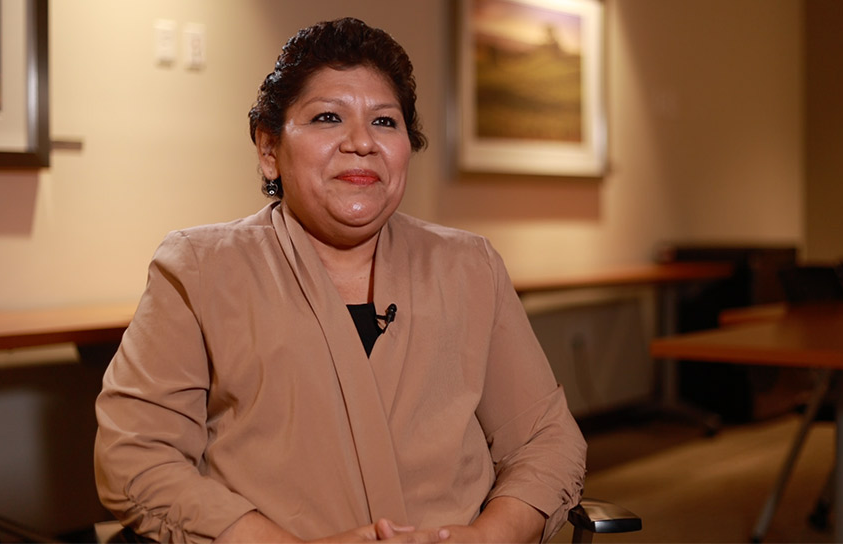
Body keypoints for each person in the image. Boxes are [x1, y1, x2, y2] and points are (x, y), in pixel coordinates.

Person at [94, 17, 586, 544]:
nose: (361, 143)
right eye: (328, 117)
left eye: (384, 122)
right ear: (268, 149)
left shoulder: (470, 267)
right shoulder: (199, 268)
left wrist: (489, 537)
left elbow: (546, 440)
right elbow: (137, 456)